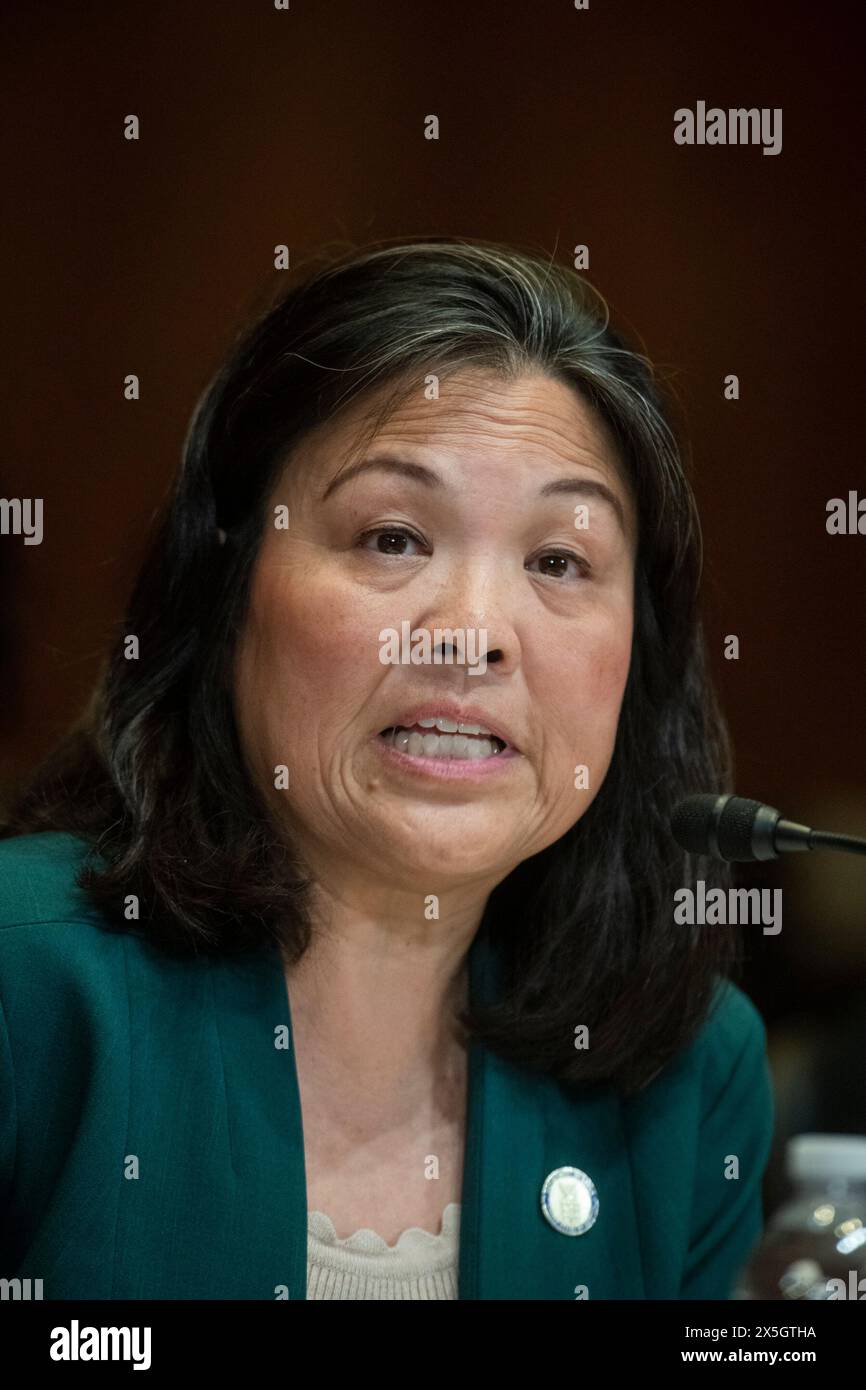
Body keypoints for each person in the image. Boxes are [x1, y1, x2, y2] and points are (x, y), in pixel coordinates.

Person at [0, 236, 774, 1300]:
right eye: (392, 537)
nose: (469, 635)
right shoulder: (25, 980)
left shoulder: (684, 1072)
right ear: (226, 593)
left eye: (558, 560)